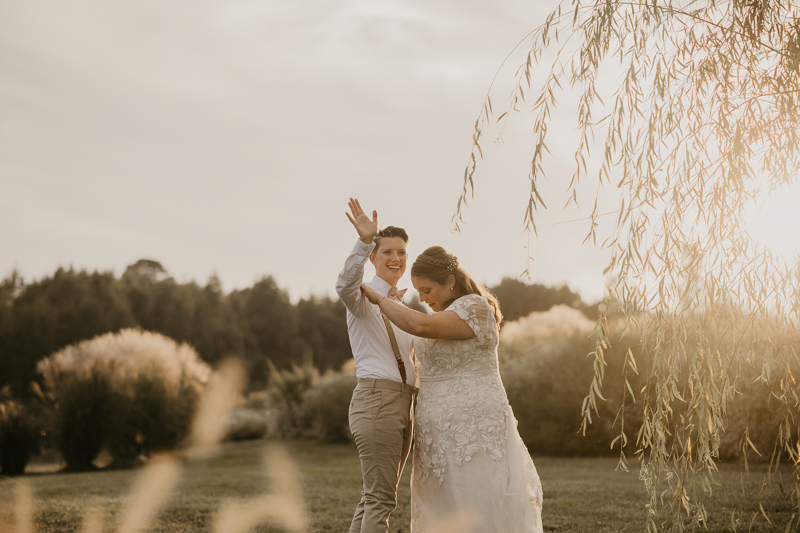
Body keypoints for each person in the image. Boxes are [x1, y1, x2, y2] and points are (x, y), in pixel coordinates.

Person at [360, 245, 544, 533]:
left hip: (473, 426)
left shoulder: (475, 307)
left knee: (476, 497)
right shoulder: (443, 314)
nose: (422, 298)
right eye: (418, 291)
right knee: (442, 502)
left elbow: (419, 326)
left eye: (427, 290)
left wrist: (379, 298)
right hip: (435, 428)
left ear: (450, 281)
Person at [336, 198, 417, 533]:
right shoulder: (362, 297)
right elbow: (344, 284)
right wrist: (364, 239)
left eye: (401, 252)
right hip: (377, 401)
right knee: (381, 499)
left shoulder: (404, 304)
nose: (395, 259)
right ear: (373, 258)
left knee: (373, 498)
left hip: (403, 403)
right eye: (387, 252)